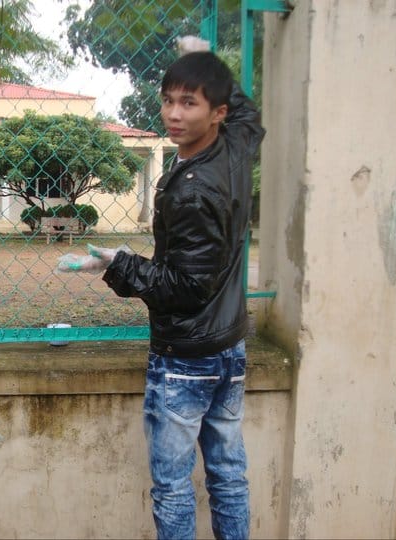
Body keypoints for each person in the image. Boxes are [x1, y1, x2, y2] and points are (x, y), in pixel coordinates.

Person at [58, 37, 265, 539]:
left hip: (187, 356)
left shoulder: (193, 190)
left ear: (215, 112)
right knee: (229, 475)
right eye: (169, 99)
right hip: (228, 346)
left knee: (173, 486)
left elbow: (187, 287)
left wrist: (117, 263)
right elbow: (250, 116)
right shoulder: (236, 147)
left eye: (189, 103)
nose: (173, 114)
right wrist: (206, 58)